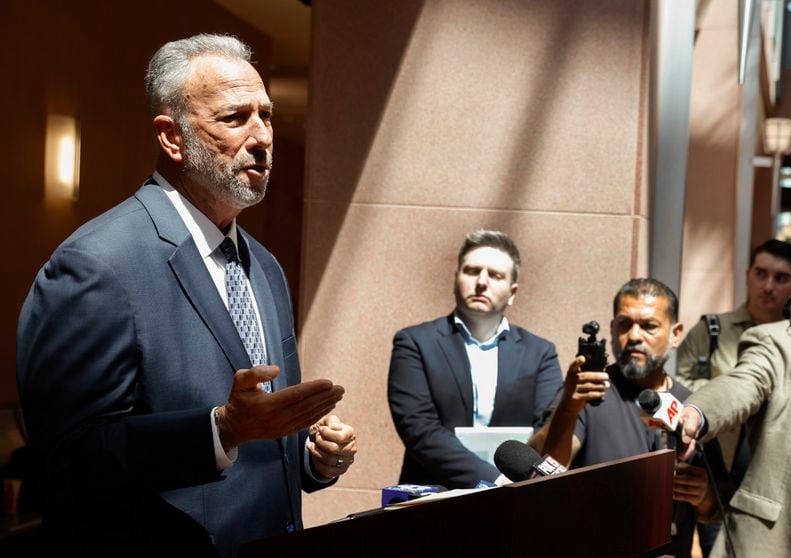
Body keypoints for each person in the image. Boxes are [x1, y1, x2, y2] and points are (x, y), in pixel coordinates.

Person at [16, 34, 357, 558]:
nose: (263, 137)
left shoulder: (262, 265)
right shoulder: (98, 264)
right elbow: (66, 460)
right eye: (235, 118)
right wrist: (217, 430)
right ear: (172, 138)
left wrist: (312, 458)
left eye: (266, 116)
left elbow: (262, 435)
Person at [532, 278, 719, 557]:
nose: (633, 336)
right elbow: (545, 471)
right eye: (624, 324)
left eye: (648, 326)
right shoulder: (589, 393)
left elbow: (716, 507)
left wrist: (704, 496)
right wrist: (569, 409)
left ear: (676, 333)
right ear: (611, 329)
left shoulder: (693, 407)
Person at [388, 229, 562, 488]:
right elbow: (419, 429)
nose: (482, 282)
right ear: (455, 278)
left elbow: (547, 427)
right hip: (433, 500)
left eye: (495, 275)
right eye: (472, 271)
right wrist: (493, 480)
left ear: (512, 292)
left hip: (516, 501)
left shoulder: (541, 353)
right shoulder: (414, 342)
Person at [676, 239, 791, 555]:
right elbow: (741, 385)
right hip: (725, 477)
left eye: (781, 278)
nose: (768, 286)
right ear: (747, 275)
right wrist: (696, 413)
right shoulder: (773, 342)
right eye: (761, 274)